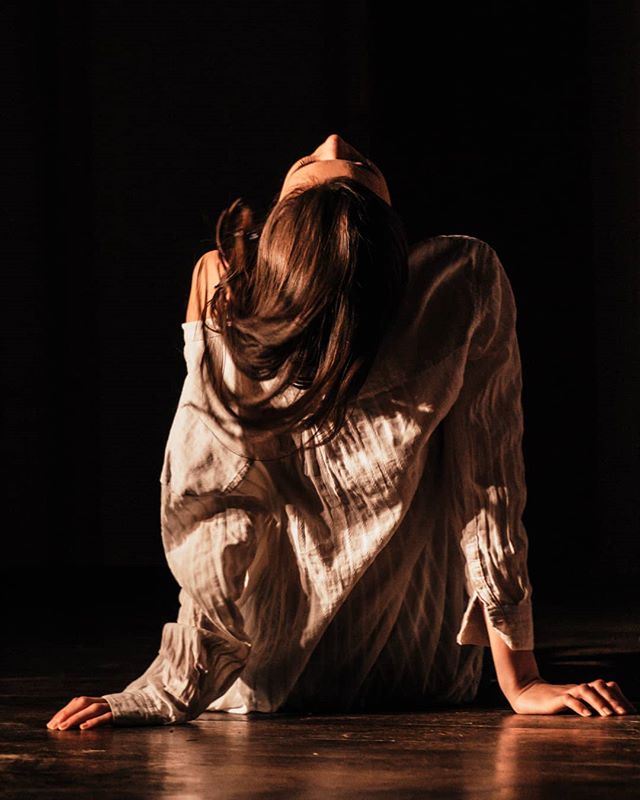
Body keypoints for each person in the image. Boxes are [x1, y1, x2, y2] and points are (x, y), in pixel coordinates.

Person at [47, 133, 636, 731]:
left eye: (316, 170)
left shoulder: (226, 280)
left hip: (264, 674)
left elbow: (213, 502)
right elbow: (489, 485)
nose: (331, 142)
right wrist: (522, 679)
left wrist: (175, 686)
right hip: (422, 670)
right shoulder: (462, 279)